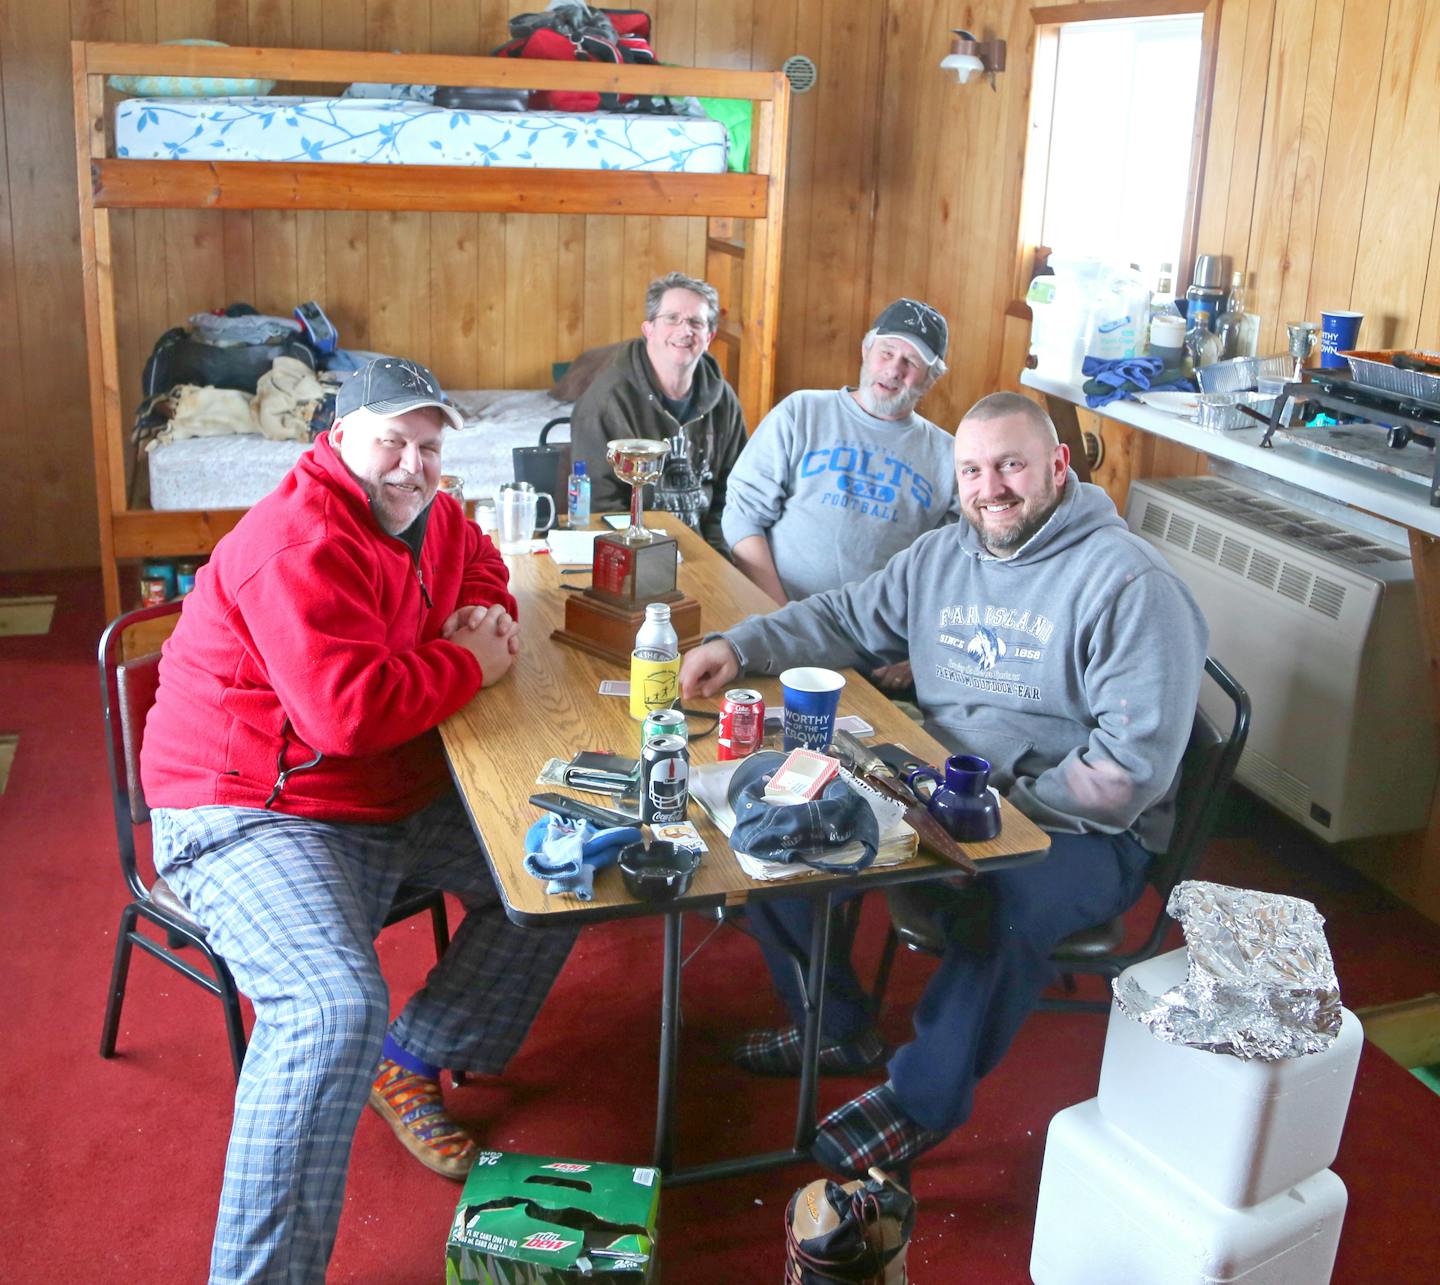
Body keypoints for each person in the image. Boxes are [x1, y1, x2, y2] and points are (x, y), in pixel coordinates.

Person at [680, 391, 1208, 1178]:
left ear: (1058, 467)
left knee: (1007, 903)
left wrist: (1006, 811)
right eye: (972, 470)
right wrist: (740, 642)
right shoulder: (944, 555)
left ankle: (923, 1099)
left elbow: (1125, 774)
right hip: (940, 784)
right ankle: (837, 1023)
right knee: (774, 820)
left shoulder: (1130, 585)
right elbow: (846, 618)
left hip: (1080, 826)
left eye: (1011, 465)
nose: (990, 487)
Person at [141, 357, 577, 1284]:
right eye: (392, 441)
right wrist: (472, 666)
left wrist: (481, 617)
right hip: (251, 807)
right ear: (336, 438)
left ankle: (414, 1055)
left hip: (378, 792)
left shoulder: (433, 513)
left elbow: (488, 569)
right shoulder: (300, 538)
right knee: (329, 1006)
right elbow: (345, 715)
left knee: (560, 866)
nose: (413, 466)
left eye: (428, 446)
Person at [721, 297, 961, 693]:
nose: (894, 370)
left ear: (930, 378)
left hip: (877, 656)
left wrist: (922, 650)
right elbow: (743, 518)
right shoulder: (801, 412)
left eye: (911, 362)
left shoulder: (948, 455)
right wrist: (781, 623)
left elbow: (958, 566)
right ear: (866, 350)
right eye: (887, 351)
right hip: (770, 623)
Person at [571, 271, 746, 553]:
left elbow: (734, 490)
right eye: (672, 318)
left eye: (696, 322)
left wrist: (719, 556)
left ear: (709, 336)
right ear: (648, 328)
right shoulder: (605, 401)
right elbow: (600, 507)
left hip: (708, 552)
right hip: (633, 551)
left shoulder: (724, 399)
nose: (684, 330)